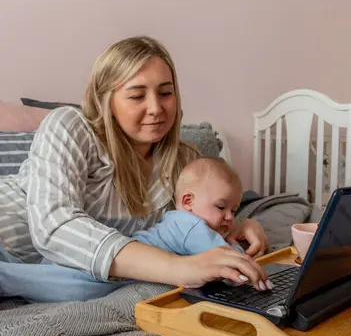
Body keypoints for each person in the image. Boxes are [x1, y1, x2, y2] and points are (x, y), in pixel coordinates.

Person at [0, 36, 269, 303]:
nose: (156, 108)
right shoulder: (71, 127)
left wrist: (237, 225)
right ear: (107, 100)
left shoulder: (184, 160)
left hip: (57, 276)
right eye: (137, 96)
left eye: (165, 93)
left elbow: (192, 220)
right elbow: (55, 227)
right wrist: (177, 268)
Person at [132, 156, 273, 291]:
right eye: (220, 207)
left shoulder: (175, 219)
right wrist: (235, 245)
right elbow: (230, 261)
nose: (230, 217)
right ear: (188, 202)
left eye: (234, 210)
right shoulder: (192, 226)